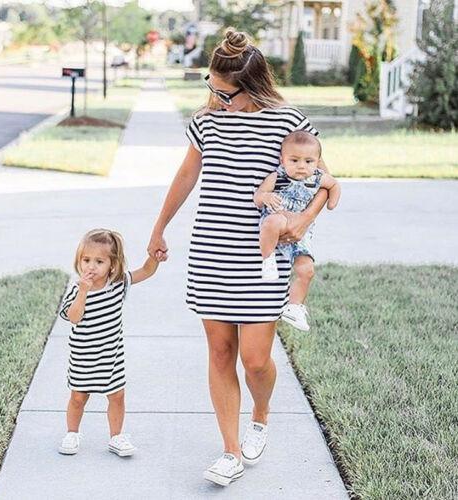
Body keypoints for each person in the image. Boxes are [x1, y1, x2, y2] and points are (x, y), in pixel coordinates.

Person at [148, 28, 333, 487]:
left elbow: (324, 179)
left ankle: (262, 415)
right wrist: (159, 227)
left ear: (249, 87)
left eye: (222, 90)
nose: (214, 96)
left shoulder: (289, 123)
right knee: (219, 351)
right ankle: (229, 450)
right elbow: (186, 176)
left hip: (264, 255)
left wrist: (304, 222)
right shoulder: (206, 121)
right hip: (211, 251)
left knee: (254, 360)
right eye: (210, 86)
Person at [58, 228, 159, 457]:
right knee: (78, 397)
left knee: (117, 396)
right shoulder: (76, 289)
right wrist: (83, 292)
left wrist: (155, 257)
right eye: (86, 260)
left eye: (99, 261)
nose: (90, 267)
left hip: (111, 357)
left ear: (112, 265)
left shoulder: (118, 284)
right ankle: (72, 433)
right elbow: (73, 317)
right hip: (83, 356)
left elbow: (146, 271)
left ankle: (116, 436)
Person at [255, 130, 340, 331]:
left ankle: (294, 307)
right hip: (281, 219)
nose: (301, 166)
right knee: (272, 222)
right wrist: (265, 198)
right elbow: (258, 195)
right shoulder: (277, 176)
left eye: (309, 161)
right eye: (294, 160)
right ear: (282, 159)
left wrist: (332, 203)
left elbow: (334, 184)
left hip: (302, 229)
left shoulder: (318, 178)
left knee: (307, 270)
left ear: (317, 161)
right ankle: (268, 259)